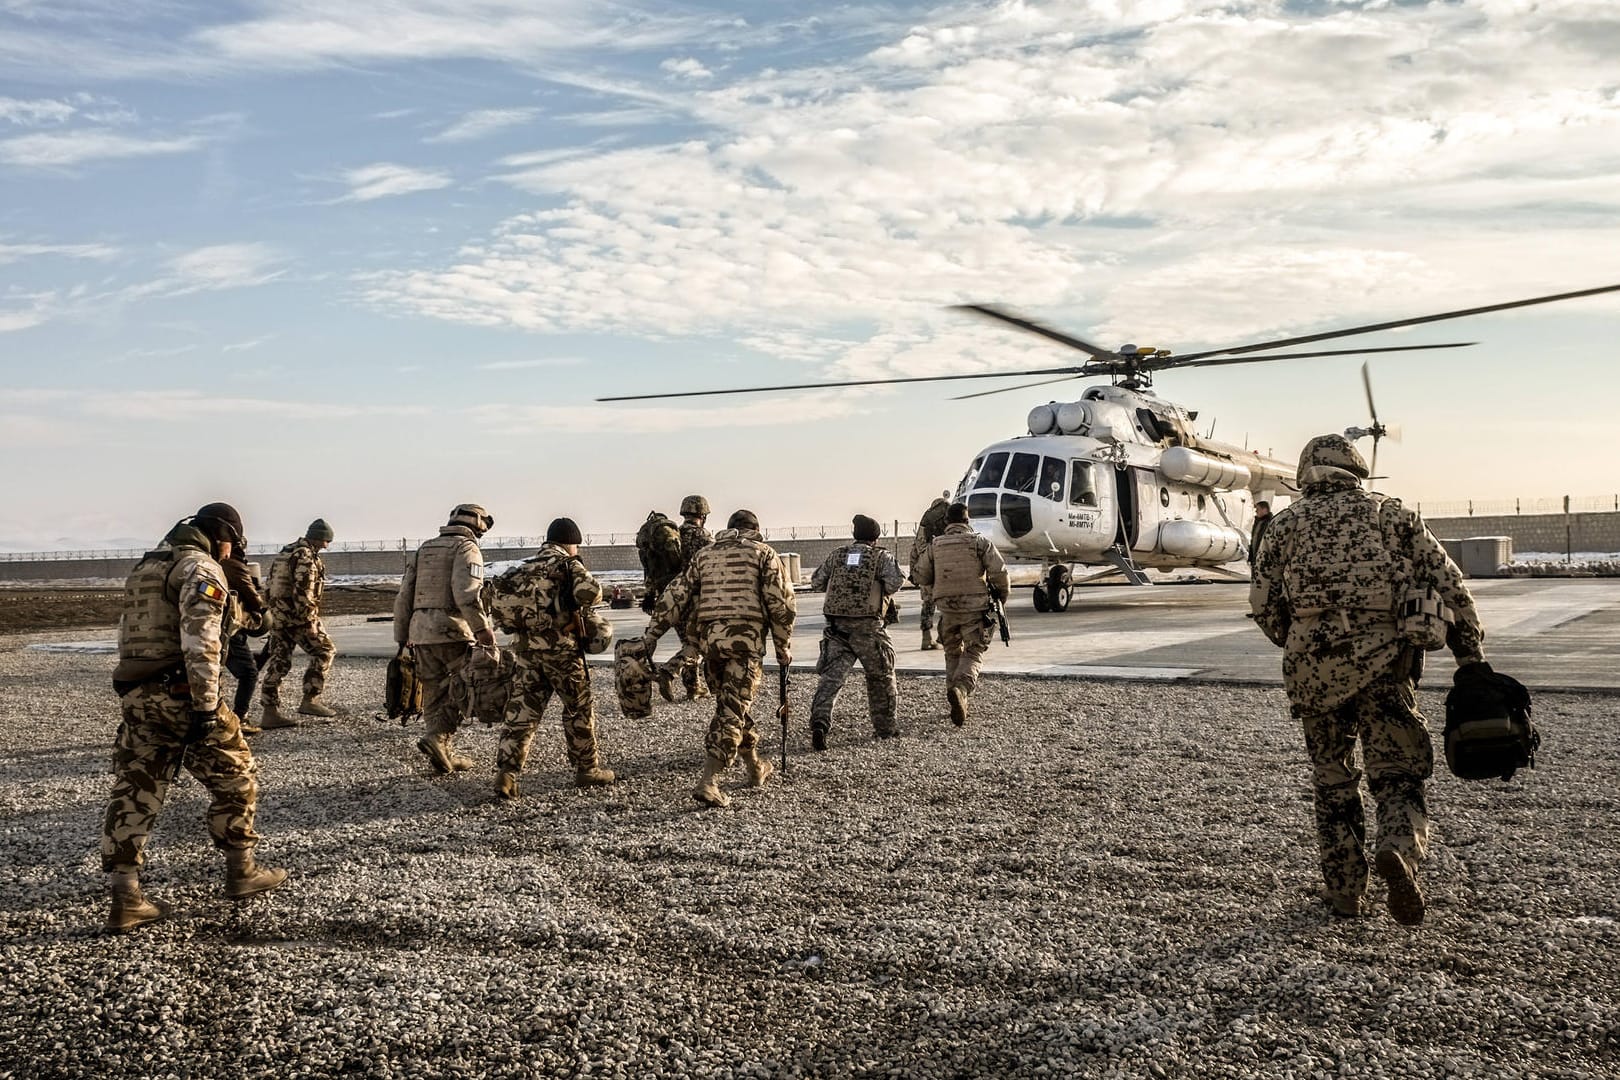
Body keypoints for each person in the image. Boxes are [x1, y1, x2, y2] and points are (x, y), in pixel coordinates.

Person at [1249, 434, 1486, 925]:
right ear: (1355, 471)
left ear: (1305, 475)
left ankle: (1344, 892)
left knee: (1333, 780)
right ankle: (1398, 848)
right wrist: (1471, 656)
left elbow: (1264, 606)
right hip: (1386, 668)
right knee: (1398, 773)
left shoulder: (1282, 526)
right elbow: (1448, 583)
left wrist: (1299, 640)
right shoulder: (1391, 515)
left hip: (1312, 673)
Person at [103, 501, 288, 933]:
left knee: (135, 791)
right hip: (182, 694)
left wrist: (250, 602)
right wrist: (206, 707)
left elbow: (240, 624)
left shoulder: (148, 568)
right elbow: (201, 641)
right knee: (237, 776)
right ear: (223, 539)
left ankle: (126, 896)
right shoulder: (201, 569)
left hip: (138, 696)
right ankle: (241, 871)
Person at [644, 509, 795, 808]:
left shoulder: (705, 555)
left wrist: (652, 635)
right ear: (756, 529)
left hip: (711, 645)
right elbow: (781, 604)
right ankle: (709, 781)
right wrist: (782, 646)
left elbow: (676, 594)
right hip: (745, 645)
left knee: (732, 707)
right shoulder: (764, 554)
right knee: (731, 712)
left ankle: (755, 767)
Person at [486, 517, 616, 797]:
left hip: (526, 652)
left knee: (521, 713)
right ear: (570, 542)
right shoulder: (566, 564)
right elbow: (592, 593)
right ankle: (587, 769)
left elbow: (498, 606)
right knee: (577, 709)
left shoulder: (522, 567)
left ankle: (506, 774)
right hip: (562, 652)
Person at [395, 503, 498, 774]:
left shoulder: (424, 548)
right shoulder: (466, 548)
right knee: (464, 688)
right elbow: (467, 593)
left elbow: (404, 595)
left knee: (432, 690)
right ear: (477, 525)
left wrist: (402, 635)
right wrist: (482, 629)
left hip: (421, 632)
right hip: (452, 630)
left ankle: (442, 753)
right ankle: (439, 738)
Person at [808, 514, 904, 749]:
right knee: (881, 678)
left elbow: (817, 581)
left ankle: (820, 723)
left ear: (854, 535)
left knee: (830, 680)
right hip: (868, 629)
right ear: (876, 537)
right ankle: (885, 729)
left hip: (836, 629)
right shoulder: (881, 556)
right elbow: (895, 583)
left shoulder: (837, 555)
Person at [910, 502, 1009, 726]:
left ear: (947, 522)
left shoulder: (935, 545)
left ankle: (953, 695)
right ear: (967, 521)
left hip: (947, 609)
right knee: (974, 651)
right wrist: (1001, 598)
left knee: (952, 652)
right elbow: (999, 572)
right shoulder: (979, 542)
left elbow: (921, 576)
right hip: (975, 608)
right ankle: (961, 688)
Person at [259, 518, 338, 728]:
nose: (326, 546)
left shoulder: (285, 553)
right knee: (325, 651)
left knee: (279, 662)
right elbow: (304, 591)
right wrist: (309, 619)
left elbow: (269, 585)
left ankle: (269, 711)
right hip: (297, 618)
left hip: (279, 616)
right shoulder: (305, 556)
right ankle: (310, 699)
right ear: (320, 538)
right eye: (326, 541)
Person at [218, 546, 272, 736]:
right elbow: (251, 594)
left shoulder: (207, 562)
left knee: (213, 674)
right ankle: (239, 718)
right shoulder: (233, 564)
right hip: (229, 627)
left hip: (211, 627)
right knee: (249, 673)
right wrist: (263, 610)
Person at [666, 493, 715, 700]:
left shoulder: (673, 536)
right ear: (702, 514)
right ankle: (669, 670)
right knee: (699, 644)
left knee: (688, 641)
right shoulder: (703, 537)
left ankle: (693, 687)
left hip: (673, 597)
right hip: (696, 599)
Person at [910, 493, 951, 650]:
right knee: (947, 604)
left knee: (927, 605)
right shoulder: (946, 520)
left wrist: (915, 573)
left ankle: (926, 637)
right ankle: (942, 637)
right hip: (944, 570)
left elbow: (914, 551)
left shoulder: (924, 526)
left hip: (926, 571)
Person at [1248, 500, 1273, 566]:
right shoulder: (1258, 522)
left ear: (1264, 510)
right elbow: (1254, 540)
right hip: (1255, 557)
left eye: (1258, 509)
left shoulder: (1270, 523)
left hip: (1263, 559)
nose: (1256, 511)